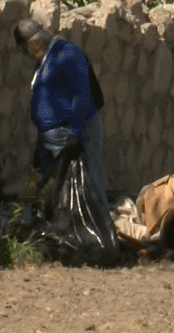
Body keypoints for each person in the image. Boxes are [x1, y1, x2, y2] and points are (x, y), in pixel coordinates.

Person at [13, 18, 110, 218]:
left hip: (80, 130)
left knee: (91, 183)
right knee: (49, 185)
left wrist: (73, 132)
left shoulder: (67, 55)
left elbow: (82, 95)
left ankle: (101, 230)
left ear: (34, 44)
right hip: (54, 136)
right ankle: (30, 220)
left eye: (25, 49)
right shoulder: (44, 62)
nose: (25, 55)